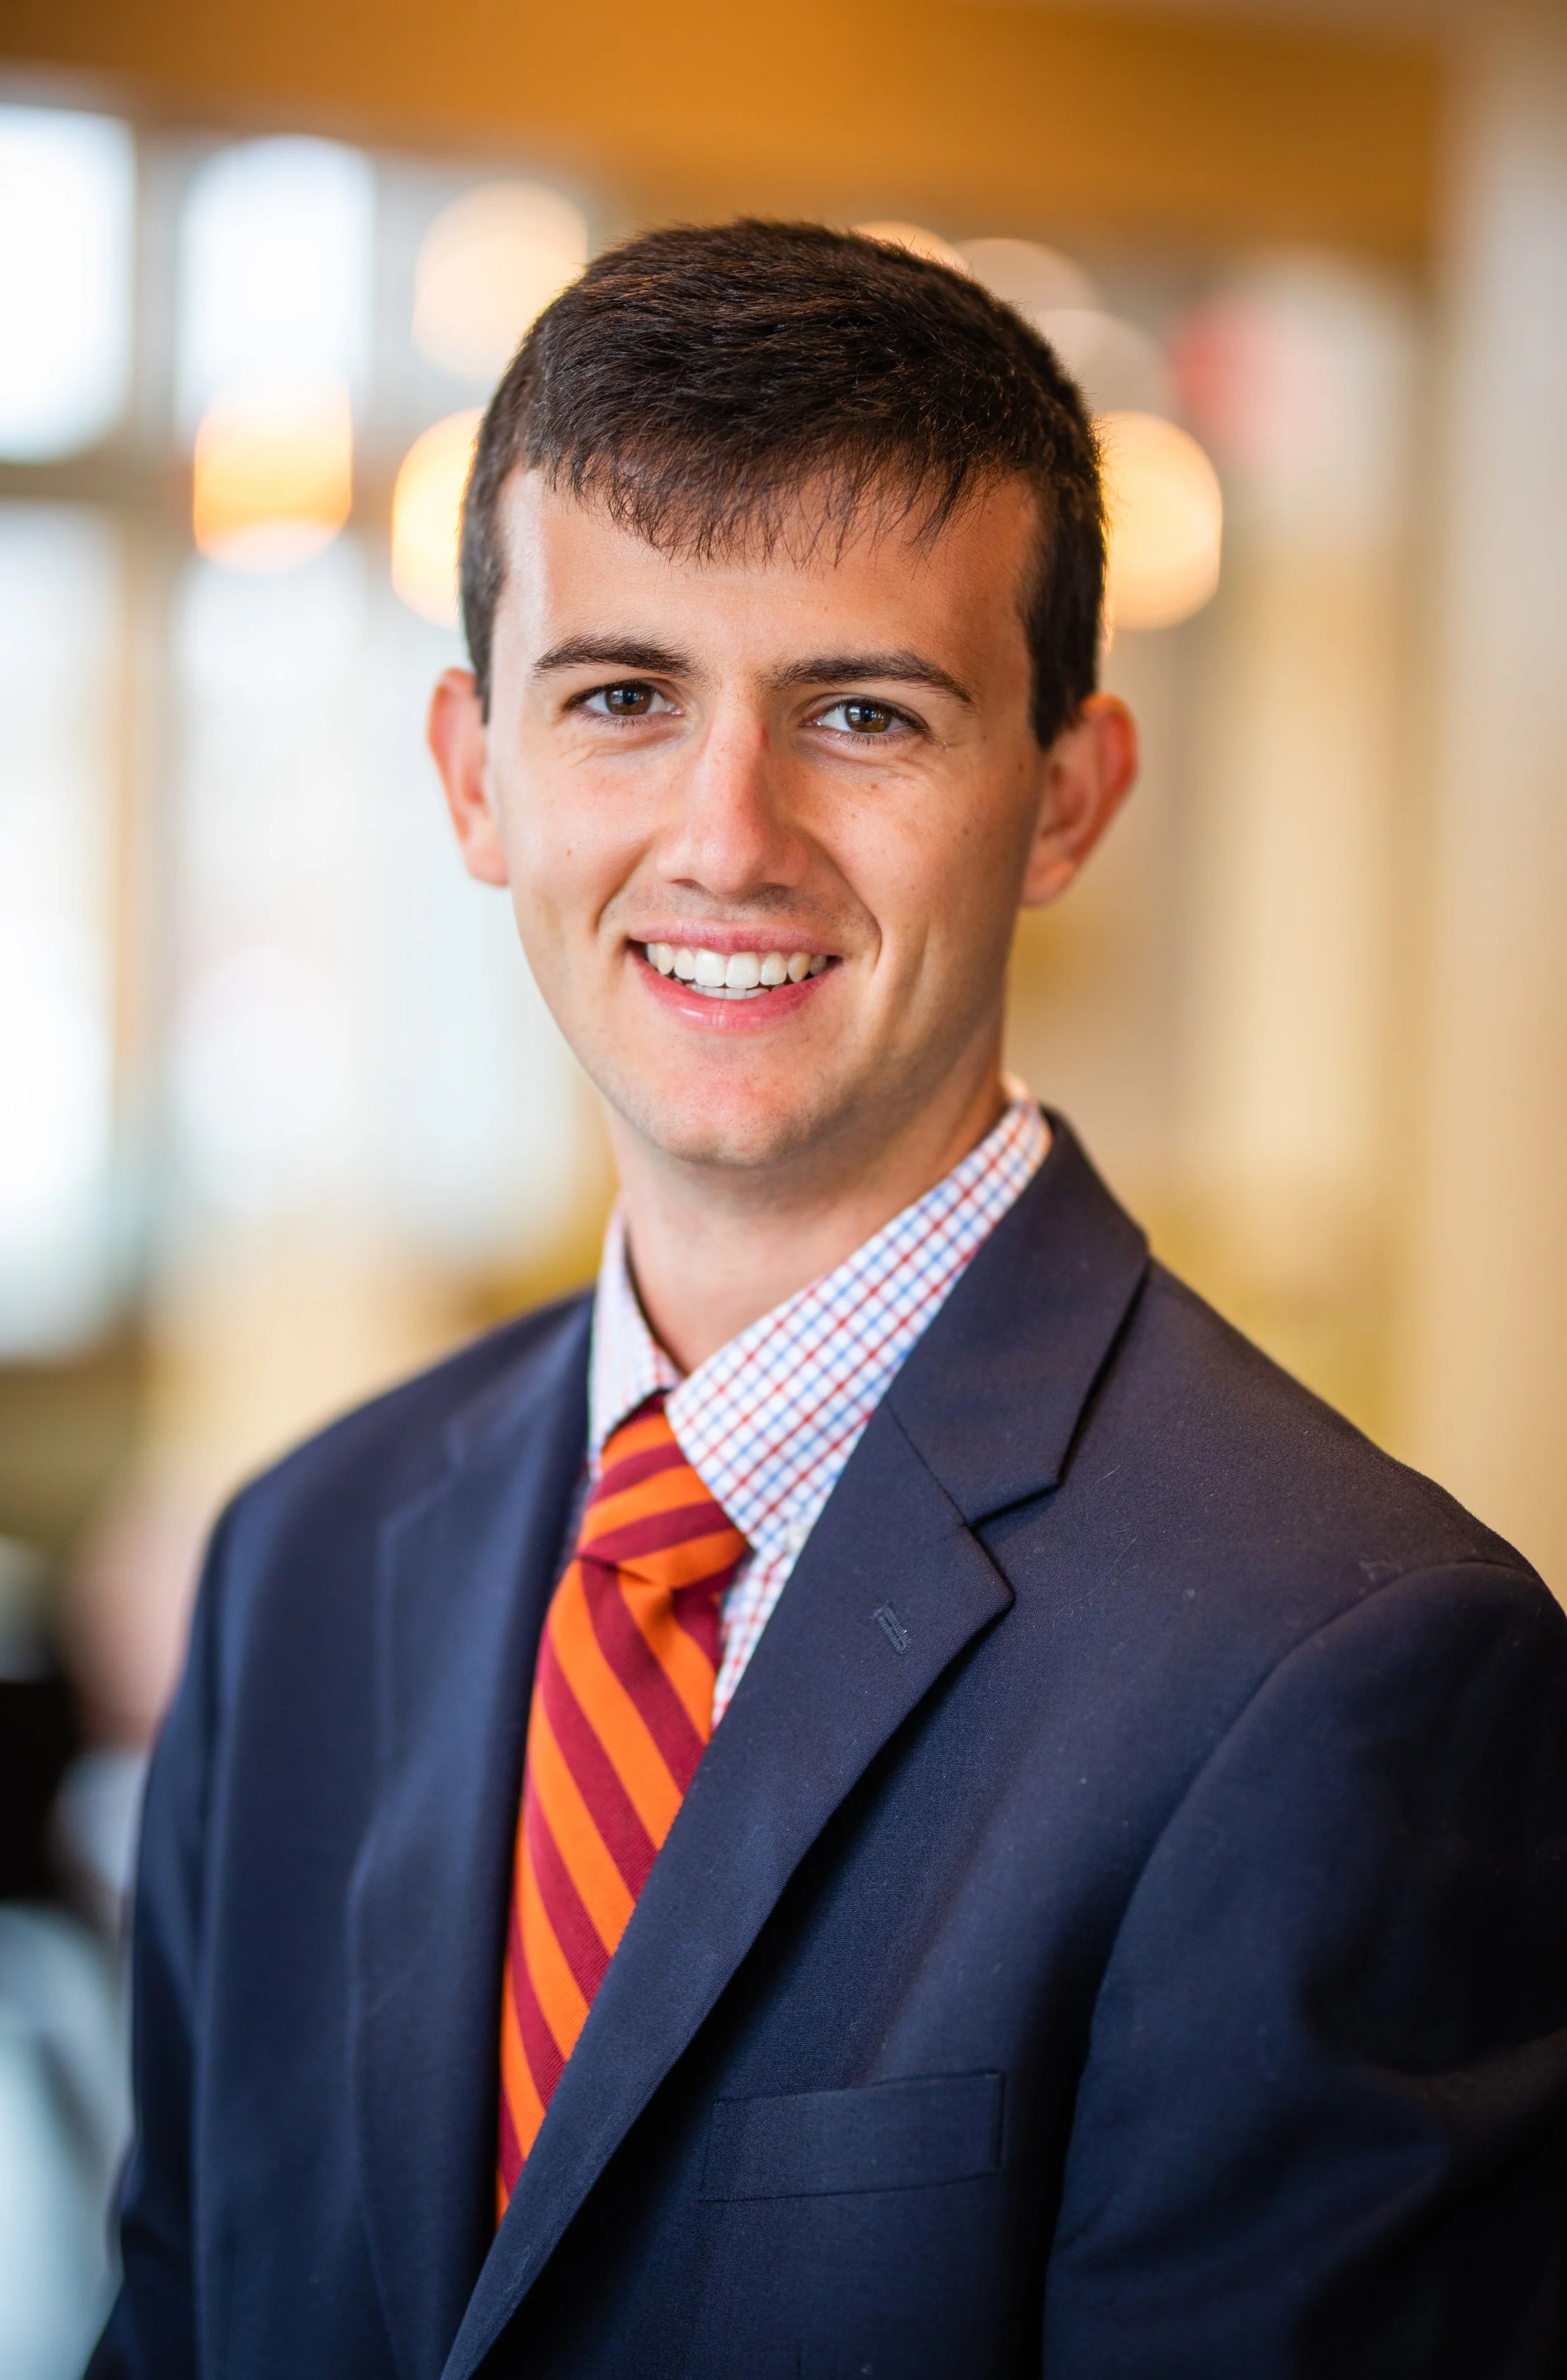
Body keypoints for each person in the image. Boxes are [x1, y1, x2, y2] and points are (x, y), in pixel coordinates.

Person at [90, 221, 1567, 2380]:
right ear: (472, 773)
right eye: (620, 696)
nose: (727, 837)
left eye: (861, 711)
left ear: (1064, 798)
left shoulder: (1348, 1669)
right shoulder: (302, 1555)